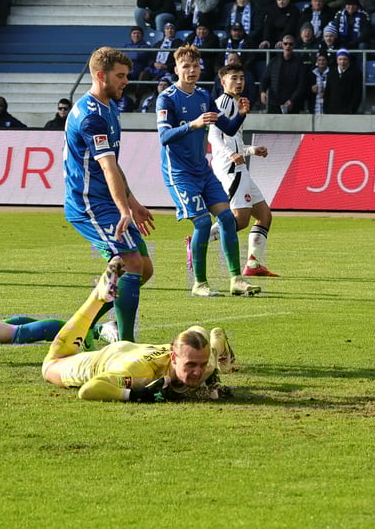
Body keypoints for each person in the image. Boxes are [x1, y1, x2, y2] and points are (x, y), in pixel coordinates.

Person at [40, 258, 235, 402]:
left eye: (201, 365)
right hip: (104, 361)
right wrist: (136, 394)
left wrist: (212, 375)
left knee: (202, 343)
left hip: (134, 349)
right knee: (50, 365)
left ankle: (99, 295)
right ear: (174, 358)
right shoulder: (140, 374)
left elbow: (202, 331)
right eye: (191, 365)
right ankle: (97, 297)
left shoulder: (206, 363)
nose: (197, 372)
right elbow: (89, 390)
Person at [64, 46, 155, 341]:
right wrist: (124, 209)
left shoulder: (108, 106)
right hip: (89, 204)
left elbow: (114, 164)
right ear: (101, 76)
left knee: (144, 269)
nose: (126, 81)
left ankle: (89, 326)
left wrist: (134, 203)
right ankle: (125, 344)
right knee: (132, 265)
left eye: (126, 75)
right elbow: (106, 167)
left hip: (107, 201)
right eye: (120, 76)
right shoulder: (92, 117)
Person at [157, 44, 258, 298]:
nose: (191, 70)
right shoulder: (167, 97)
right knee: (202, 222)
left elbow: (229, 127)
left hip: (203, 170)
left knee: (226, 219)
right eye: (186, 66)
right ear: (176, 69)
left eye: (195, 66)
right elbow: (164, 136)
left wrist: (242, 115)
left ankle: (236, 279)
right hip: (179, 173)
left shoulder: (203, 96)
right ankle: (199, 283)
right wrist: (193, 124)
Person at [207, 62, 279, 277]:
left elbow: (234, 141)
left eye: (241, 78)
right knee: (240, 220)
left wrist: (251, 150)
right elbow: (213, 136)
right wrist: (231, 155)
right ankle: (198, 240)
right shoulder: (223, 103)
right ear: (223, 82)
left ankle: (254, 265)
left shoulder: (235, 104)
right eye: (233, 78)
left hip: (239, 167)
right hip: (230, 169)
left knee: (264, 216)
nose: (239, 82)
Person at [260, 33, 307, 113]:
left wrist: (292, 100)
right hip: (274, 103)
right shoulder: (274, 62)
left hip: (292, 105)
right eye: (285, 44)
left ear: (294, 46)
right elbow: (265, 79)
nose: (288, 46)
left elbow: (301, 85)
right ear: (282, 45)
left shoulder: (299, 64)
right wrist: (262, 91)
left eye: (290, 44)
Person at [323, 47, 362, 114]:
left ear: (348, 60)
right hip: (332, 110)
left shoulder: (356, 73)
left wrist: (352, 109)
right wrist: (326, 108)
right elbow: (327, 92)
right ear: (337, 60)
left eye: (345, 59)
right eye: (340, 59)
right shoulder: (331, 73)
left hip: (347, 110)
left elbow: (357, 93)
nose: (342, 62)